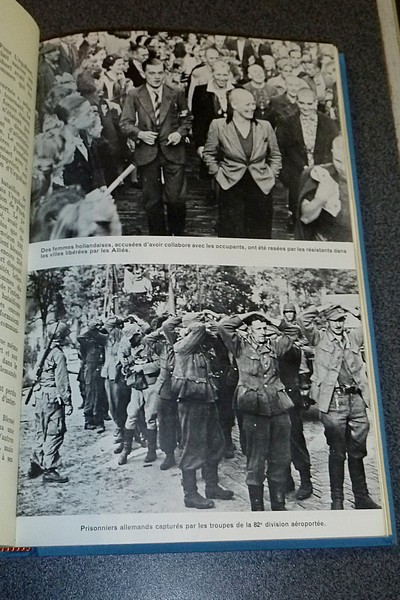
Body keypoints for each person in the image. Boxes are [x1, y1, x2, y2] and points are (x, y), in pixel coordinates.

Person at [298, 303, 380, 510]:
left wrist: (357, 312)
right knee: (337, 451)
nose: (338, 324)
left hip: (357, 400)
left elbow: (371, 323)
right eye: (334, 320)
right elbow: (302, 320)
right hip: (334, 400)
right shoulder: (319, 338)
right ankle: (338, 501)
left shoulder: (353, 337)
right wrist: (322, 307)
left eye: (342, 320)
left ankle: (361, 497)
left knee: (357, 450)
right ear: (327, 322)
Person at [218, 312, 294, 511]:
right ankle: (258, 509)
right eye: (258, 328)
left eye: (265, 328)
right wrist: (247, 315)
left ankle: (278, 505)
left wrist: (273, 320)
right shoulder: (239, 346)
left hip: (278, 408)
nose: (263, 332)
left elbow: (293, 330)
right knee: (256, 460)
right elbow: (223, 327)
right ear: (249, 331)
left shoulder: (275, 346)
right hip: (253, 409)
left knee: (280, 458)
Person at [120, 58, 192, 235]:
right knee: (152, 201)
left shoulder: (176, 92)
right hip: (147, 152)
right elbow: (125, 123)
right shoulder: (134, 94)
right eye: (152, 73)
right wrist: (140, 134)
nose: (156, 77)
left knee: (176, 199)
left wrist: (179, 133)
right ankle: (158, 238)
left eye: (160, 73)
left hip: (173, 151)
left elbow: (187, 119)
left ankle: (177, 235)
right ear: (144, 74)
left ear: (165, 73)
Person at [172, 312, 234, 509]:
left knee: (216, 443)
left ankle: (212, 486)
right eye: (199, 325)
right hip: (191, 403)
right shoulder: (182, 346)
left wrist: (212, 323)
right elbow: (198, 329)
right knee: (192, 448)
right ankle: (190, 494)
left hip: (207, 399)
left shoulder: (201, 348)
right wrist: (197, 321)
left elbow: (217, 338)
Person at [202, 88, 281, 238]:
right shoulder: (218, 125)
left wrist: (272, 175)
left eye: (253, 104)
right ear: (235, 105)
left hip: (260, 184)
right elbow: (209, 154)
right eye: (248, 104)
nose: (252, 107)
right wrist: (218, 175)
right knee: (232, 229)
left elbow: (275, 155)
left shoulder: (265, 126)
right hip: (231, 184)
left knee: (260, 231)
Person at [276, 87, 339, 230]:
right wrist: (291, 170)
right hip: (296, 169)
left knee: (321, 197)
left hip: (322, 168)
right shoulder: (287, 122)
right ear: (297, 102)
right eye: (302, 103)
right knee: (297, 198)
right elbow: (282, 148)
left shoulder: (328, 122)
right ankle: (295, 220)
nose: (306, 107)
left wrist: (324, 167)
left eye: (309, 104)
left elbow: (335, 146)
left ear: (316, 102)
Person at [28, 322, 73, 484]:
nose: (68, 338)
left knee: (41, 430)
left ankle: (36, 463)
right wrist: (68, 402)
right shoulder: (58, 355)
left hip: (40, 396)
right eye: (66, 335)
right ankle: (50, 469)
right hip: (53, 397)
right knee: (55, 432)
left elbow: (34, 374)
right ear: (60, 338)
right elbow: (62, 381)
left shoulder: (43, 352)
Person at [278, 303, 313, 501]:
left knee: (295, 439)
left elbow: (303, 371)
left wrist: (304, 393)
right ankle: (286, 480)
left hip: (291, 398)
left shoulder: (294, 351)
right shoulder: (271, 347)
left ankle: (306, 481)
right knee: (279, 441)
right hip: (275, 399)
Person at [295, 136, 352, 242]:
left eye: (348, 162)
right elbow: (305, 218)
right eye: (338, 161)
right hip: (325, 242)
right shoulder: (321, 174)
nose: (343, 168)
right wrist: (320, 199)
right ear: (332, 153)